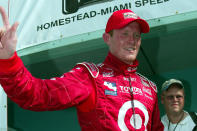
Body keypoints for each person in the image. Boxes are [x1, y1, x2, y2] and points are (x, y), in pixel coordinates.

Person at [0, 6, 164, 131]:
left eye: (137, 36)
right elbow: (37, 94)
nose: (132, 41)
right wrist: (8, 60)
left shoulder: (149, 88)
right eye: (125, 34)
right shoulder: (90, 76)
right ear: (107, 38)